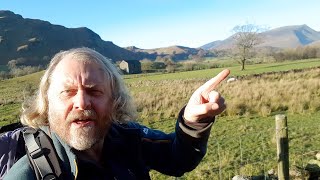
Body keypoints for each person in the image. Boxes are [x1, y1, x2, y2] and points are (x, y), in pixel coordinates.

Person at [4, 47, 230, 179]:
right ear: (47, 103)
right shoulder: (30, 173)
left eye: (95, 91)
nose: (82, 102)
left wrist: (193, 120)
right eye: (67, 92)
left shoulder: (129, 139)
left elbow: (177, 157)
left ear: (115, 101)